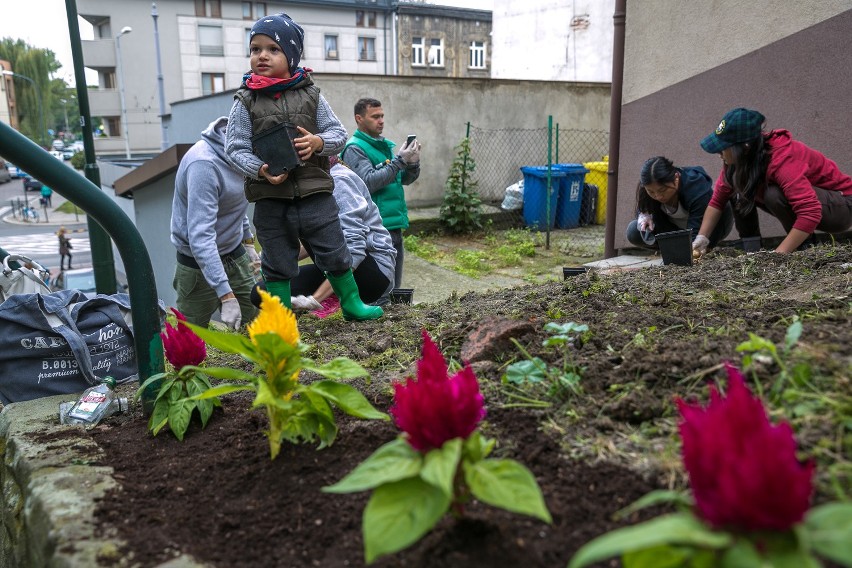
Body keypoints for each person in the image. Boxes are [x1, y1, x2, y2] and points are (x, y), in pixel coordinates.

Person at [225, 12, 382, 322]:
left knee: (334, 249)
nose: (262, 56)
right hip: (271, 197)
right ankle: (279, 318)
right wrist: (260, 169)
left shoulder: (311, 94)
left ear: (292, 55)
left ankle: (351, 303)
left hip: (314, 192)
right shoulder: (245, 100)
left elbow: (338, 134)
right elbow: (234, 147)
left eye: (273, 49)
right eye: (255, 49)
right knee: (276, 259)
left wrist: (318, 143)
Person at [694, 107, 852, 255]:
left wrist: (777, 255)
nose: (718, 153)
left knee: (773, 194)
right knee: (738, 187)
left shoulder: (783, 159)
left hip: (842, 207)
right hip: (820, 207)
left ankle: (805, 247)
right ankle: (752, 249)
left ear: (745, 147)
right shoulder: (738, 163)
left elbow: (810, 211)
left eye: (723, 148)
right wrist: (702, 237)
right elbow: (717, 201)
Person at [251, 156, 397, 313]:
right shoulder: (305, 185)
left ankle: (338, 301)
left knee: (337, 254)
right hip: (334, 265)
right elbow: (320, 239)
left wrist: (314, 299)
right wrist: (272, 262)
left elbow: (354, 247)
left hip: (372, 271)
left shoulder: (339, 181)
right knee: (261, 293)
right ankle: (331, 299)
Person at [170, 116, 260, 330]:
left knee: (257, 323)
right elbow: (200, 237)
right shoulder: (204, 165)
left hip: (235, 254)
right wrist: (226, 295)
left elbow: (235, 202)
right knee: (190, 337)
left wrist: (248, 242)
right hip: (196, 266)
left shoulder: (244, 155)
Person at [340, 98, 421, 301]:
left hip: (393, 224)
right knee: (380, 290)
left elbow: (402, 179)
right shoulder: (355, 148)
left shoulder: (382, 146)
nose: (381, 120)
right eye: (375, 116)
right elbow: (367, 182)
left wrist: (412, 164)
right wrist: (399, 161)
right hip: (374, 230)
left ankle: (395, 328)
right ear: (359, 119)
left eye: (382, 116)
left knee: (394, 286)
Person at [626, 156, 733, 250]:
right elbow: (643, 209)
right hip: (675, 230)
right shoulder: (645, 190)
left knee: (696, 245)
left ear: (676, 178)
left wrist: (693, 246)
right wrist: (644, 216)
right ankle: (672, 250)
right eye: (651, 192)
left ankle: (699, 249)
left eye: (662, 190)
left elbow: (696, 227)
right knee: (633, 230)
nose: (658, 196)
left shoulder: (696, 188)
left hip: (707, 228)